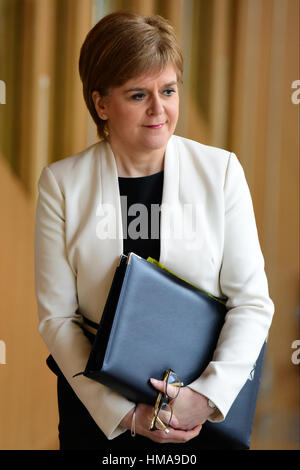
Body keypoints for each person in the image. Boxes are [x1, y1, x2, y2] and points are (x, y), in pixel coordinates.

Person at [34, 12, 274, 451]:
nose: (158, 109)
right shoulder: (61, 184)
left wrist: (204, 398)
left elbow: (252, 302)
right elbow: (57, 319)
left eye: (168, 90)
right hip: (99, 414)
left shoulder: (220, 172)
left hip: (201, 414)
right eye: (138, 94)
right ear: (101, 103)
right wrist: (124, 414)